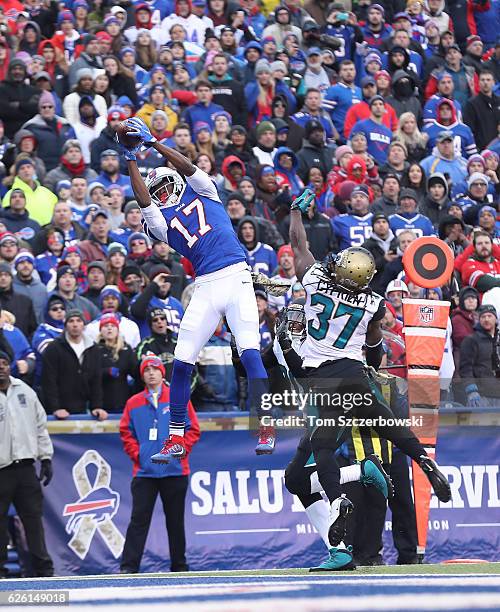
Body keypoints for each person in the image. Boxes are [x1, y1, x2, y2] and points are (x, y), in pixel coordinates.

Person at [288, 187, 450, 570]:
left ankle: (339, 527)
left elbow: (298, 243)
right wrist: (371, 368)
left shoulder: (312, 280)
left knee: (323, 453)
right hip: (355, 375)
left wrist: (297, 212)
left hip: (322, 380)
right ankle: (425, 463)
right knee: (389, 424)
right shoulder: (374, 304)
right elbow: (375, 349)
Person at [121, 116, 274, 461]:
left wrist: (155, 144)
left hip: (236, 277)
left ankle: (266, 426)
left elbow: (189, 168)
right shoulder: (160, 223)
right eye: (156, 191)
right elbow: (145, 203)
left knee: (250, 351)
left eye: (164, 188)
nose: (160, 195)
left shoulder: (205, 190)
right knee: (182, 360)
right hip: (206, 284)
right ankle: (175, 437)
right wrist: (131, 159)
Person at [119, 355, 200, 573]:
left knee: (175, 522)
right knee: (138, 521)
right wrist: (139, 455)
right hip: (145, 473)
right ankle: (128, 567)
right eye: (147, 370)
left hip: (175, 471)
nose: (151, 373)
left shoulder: (178, 398)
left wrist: (180, 451)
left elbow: (192, 429)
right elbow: (126, 432)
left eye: (155, 369)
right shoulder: (133, 403)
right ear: (142, 375)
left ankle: (179, 566)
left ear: (162, 373)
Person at [0, 351, 54, 578]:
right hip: (1, 469)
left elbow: (40, 426)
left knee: (33, 520)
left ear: (10, 366)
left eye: (4, 363)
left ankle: (43, 569)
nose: (1, 367)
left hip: (25, 467)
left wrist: (46, 458)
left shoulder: (25, 391)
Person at [41, 309, 105, 420]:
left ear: (84, 325)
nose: (75, 324)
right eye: (71, 321)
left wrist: (97, 406)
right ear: (65, 325)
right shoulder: (54, 348)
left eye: (78, 321)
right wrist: (55, 408)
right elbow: (49, 380)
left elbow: (96, 380)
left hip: (83, 407)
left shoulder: (93, 348)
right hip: (60, 409)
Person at [95, 312, 138, 414]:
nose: (109, 328)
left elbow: (136, 373)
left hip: (123, 400)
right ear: (101, 330)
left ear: (117, 330)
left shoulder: (126, 350)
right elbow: (89, 374)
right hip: (102, 403)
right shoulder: (94, 350)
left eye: (112, 326)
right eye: (106, 326)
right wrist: (106, 372)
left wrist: (141, 363)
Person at [459, 304, 500, 407]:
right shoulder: (471, 340)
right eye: (483, 316)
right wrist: (471, 390)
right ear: (479, 320)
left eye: (489, 316)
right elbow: (465, 369)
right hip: (481, 396)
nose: (486, 319)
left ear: (496, 318)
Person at [0, 261, 37, 339]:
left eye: (6, 275)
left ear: (11, 278)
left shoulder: (25, 301)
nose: (3, 278)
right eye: (0, 275)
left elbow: (33, 328)